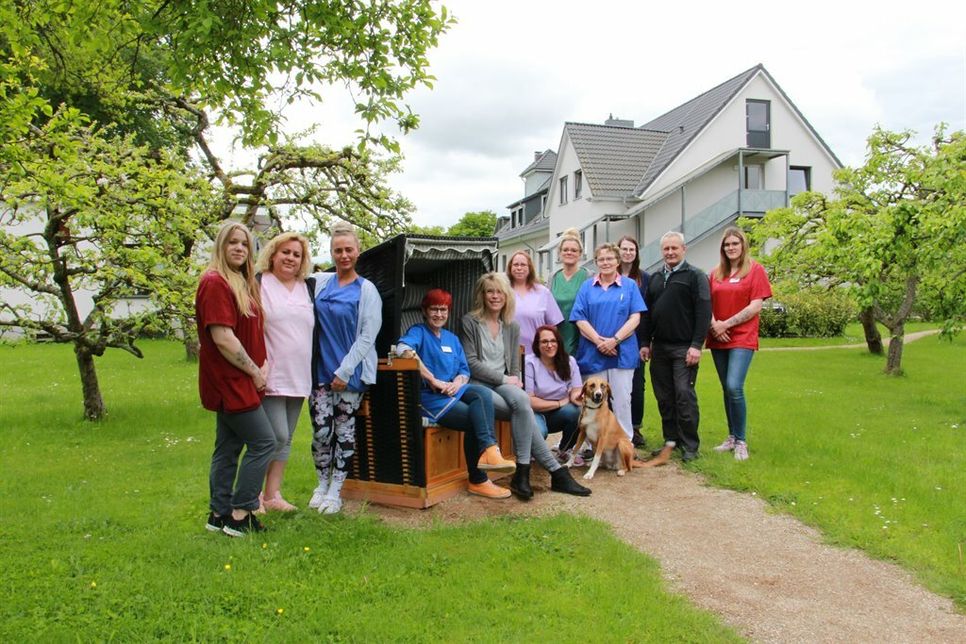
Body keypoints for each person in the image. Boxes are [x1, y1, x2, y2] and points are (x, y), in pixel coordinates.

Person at [461, 273, 590, 501]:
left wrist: (512, 379)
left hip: (504, 383)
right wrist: (507, 380)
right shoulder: (470, 321)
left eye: (499, 291)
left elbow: (512, 366)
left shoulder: (511, 326)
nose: (495, 296)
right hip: (479, 385)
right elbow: (471, 363)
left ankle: (523, 474)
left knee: (520, 402)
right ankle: (553, 472)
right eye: (490, 291)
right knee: (521, 408)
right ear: (482, 295)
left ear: (506, 296)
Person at [196, 221, 278, 537]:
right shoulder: (215, 283)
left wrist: (264, 362)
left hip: (238, 379)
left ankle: (218, 514)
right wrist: (256, 372)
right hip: (232, 380)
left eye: (244, 244)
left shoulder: (239, 283)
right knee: (264, 442)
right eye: (232, 242)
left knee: (228, 448)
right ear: (221, 245)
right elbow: (223, 338)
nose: (239, 248)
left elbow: (250, 331)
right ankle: (241, 513)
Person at [395, 289, 517, 500]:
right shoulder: (418, 332)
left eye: (443, 310)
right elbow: (403, 349)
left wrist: (456, 382)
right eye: (434, 309)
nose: (439, 314)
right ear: (425, 311)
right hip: (430, 397)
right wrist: (433, 379)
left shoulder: (451, 338)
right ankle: (478, 479)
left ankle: (490, 450)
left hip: (454, 390)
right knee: (473, 418)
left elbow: (464, 370)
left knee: (482, 394)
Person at [306, 223, 381, 514]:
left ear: (358, 251)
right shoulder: (320, 282)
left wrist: (345, 371)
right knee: (321, 432)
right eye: (338, 250)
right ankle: (321, 484)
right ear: (331, 252)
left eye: (349, 249)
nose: (343, 255)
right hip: (320, 372)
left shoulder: (367, 290)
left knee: (344, 431)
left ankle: (336, 491)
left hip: (351, 374)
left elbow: (367, 335)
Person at [253, 232, 314, 512]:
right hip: (270, 373)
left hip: (299, 374)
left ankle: (273, 494)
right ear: (273, 254)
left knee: (287, 437)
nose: (290, 258)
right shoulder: (259, 284)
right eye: (285, 252)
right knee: (273, 435)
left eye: (296, 254)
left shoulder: (307, 287)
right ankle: (252, 493)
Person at [640, 231, 712, 464]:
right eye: (666, 249)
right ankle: (671, 440)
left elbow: (703, 312)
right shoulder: (656, 278)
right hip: (659, 347)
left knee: (684, 395)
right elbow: (648, 315)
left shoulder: (695, 276)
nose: (670, 252)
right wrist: (645, 343)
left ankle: (690, 445)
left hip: (684, 348)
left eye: (674, 248)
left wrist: (696, 346)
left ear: (684, 249)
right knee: (664, 397)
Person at [707, 227, 772, 461]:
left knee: (735, 386)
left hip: (742, 336)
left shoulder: (755, 271)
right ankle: (732, 436)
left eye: (735, 244)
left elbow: (755, 306)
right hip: (718, 337)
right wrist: (715, 325)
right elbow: (706, 303)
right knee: (726, 387)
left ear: (743, 245)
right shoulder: (716, 273)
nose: (731, 248)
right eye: (727, 245)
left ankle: (742, 440)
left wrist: (727, 324)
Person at [570, 243, 646, 440]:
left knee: (621, 401)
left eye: (610, 258)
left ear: (618, 261)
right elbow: (579, 318)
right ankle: (590, 445)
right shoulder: (587, 287)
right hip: (593, 353)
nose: (606, 263)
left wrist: (614, 341)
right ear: (596, 262)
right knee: (591, 402)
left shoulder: (629, 286)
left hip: (622, 354)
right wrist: (599, 342)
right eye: (601, 259)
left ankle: (624, 442)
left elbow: (635, 318)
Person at [525, 325, 582, 464]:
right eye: (544, 342)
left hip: (560, 412)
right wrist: (559, 402)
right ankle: (533, 451)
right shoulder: (529, 362)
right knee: (540, 431)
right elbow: (529, 401)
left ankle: (565, 449)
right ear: (537, 345)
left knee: (577, 412)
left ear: (559, 343)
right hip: (536, 412)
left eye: (553, 341)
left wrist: (575, 397)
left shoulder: (570, 361)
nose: (549, 345)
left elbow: (577, 389)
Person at [617, 235, 650, 448]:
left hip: (637, 339)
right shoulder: (608, 276)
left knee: (637, 385)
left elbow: (648, 313)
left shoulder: (645, 279)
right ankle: (613, 427)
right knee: (614, 386)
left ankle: (635, 427)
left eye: (632, 249)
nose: (628, 253)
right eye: (624, 249)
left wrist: (646, 342)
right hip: (611, 339)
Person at [506, 250, 563, 354]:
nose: (519, 268)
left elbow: (553, 326)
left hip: (538, 354)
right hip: (509, 354)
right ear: (510, 268)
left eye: (523, 265)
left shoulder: (543, 292)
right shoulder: (503, 292)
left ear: (530, 268)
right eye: (515, 265)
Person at [549, 228, 590, 356]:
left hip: (581, 336)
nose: (569, 253)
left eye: (573, 250)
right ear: (560, 253)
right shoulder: (553, 277)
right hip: (557, 335)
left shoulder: (589, 276)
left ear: (580, 253)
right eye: (565, 250)